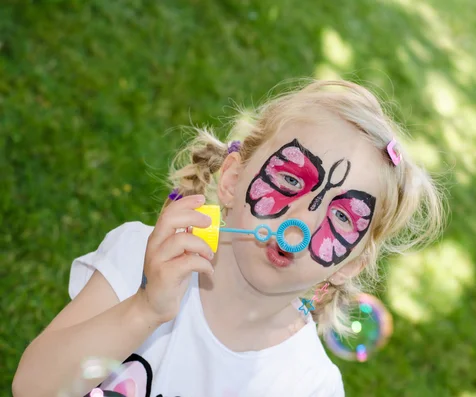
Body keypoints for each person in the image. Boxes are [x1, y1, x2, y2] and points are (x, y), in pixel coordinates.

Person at [13, 79, 446, 397]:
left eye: (341, 216)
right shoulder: (141, 259)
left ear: (349, 263)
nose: (302, 220)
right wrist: (145, 309)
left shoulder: (308, 385)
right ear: (234, 179)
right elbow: (32, 387)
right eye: (291, 179)